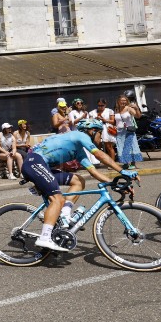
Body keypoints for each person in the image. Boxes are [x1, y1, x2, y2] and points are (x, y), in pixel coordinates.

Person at [21, 119, 137, 251]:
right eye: (100, 133)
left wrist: (114, 184)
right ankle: (45, 237)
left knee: (79, 181)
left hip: (43, 167)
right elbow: (99, 155)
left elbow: (93, 171)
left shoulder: (79, 151)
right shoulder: (80, 135)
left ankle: (65, 213)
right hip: (34, 162)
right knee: (57, 199)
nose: (101, 138)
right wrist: (122, 171)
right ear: (92, 131)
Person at [114, 94, 143, 169]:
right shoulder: (116, 109)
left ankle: (133, 164)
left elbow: (138, 116)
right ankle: (126, 163)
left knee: (131, 147)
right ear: (118, 101)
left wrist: (136, 109)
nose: (123, 102)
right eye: (122, 101)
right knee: (121, 147)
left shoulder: (129, 108)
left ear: (127, 101)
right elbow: (116, 120)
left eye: (125, 101)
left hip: (128, 131)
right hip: (119, 132)